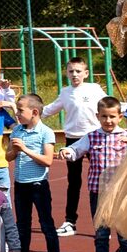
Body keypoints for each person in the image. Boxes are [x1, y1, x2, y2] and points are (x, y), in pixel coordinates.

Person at [59, 97, 127, 252]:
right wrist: (67, 151)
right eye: (104, 116)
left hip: (120, 194)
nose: (108, 120)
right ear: (97, 116)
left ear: (120, 117)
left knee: (125, 237)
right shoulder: (91, 136)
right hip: (98, 193)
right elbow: (75, 150)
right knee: (101, 235)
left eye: (112, 117)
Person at [41, 57, 105, 236]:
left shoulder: (94, 89)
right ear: (67, 73)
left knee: (101, 181)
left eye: (78, 71)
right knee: (74, 182)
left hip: (94, 139)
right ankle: (70, 222)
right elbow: (48, 110)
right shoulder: (65, 92)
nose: (75, 74)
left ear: (86, 73)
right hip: (73, 141)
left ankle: (103, 224)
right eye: (71, 71)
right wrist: (30, 112)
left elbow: (109, 105)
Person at [8, 93, 61, 252]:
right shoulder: (17, 131)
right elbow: (8, 157)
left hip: (38, 184)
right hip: (20, 184)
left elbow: (47, 160)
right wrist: (14, 151)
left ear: (35, 112)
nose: (17, 113)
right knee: (22, 226)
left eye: (20, 110)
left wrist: (25, 149)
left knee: (47, 225)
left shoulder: (46, 132)